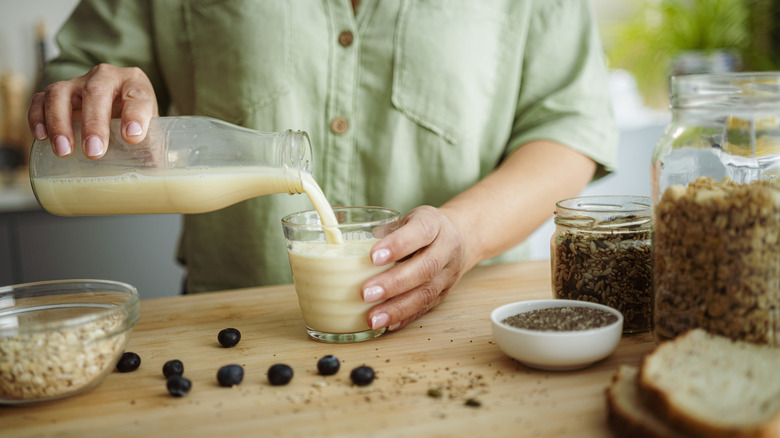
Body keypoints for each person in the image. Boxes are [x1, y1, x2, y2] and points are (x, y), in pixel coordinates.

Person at [27, 0, 617, 332]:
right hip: (235, 326)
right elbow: (78, 71)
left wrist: (466, 234)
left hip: (464, 325)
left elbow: (569, 127)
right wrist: (88, 98)